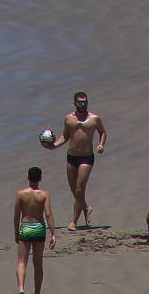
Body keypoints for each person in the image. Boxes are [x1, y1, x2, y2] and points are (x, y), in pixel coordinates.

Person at [40, 93, 105, 227]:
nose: (83, 104)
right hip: (71, 156)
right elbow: (65, 136)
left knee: (80, 189)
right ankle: (86, 208)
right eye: (80, 102)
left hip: (86, 157)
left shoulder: (94, 118)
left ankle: (73, 222)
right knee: (74, 190)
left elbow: (102, 132)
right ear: (75, 103)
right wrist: (54, 146)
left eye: (85, 102)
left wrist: (101, 144)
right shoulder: (68, 119)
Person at [11, 171, 52, 294]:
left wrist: (16, 232)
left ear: (28, 178)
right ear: (40, 179)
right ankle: (37, 292)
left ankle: (21, 288)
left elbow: (16, 216)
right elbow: (48, 214)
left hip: (25, 227)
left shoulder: (20, 194)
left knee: (21, 261)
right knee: (38, 264)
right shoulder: (44, 194)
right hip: (39, 227)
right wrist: (53, 234)